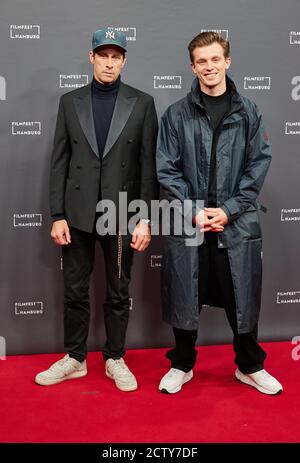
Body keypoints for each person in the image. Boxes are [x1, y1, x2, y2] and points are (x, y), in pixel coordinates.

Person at [156, 31, 282, 395]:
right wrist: (195, 211)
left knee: (240, 296)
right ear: (192, 67)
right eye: (201, 61)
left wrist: (227, 209)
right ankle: (182, 363)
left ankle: (249, 365)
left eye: (215, 59)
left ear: (227, 62)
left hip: (236, 222)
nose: (209, 67)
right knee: (185, 294)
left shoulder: (249, 111)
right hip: (190, 223)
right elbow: (166, 169)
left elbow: (258, 165)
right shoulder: (176, 114)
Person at [35, 28, 158, 391]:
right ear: (91, 58)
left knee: (119, 291)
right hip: (77, 214)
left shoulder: (143, 102)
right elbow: (60, 162)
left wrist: (145, 219)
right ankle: (74, 358)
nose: (109, 62)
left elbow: (147, 168)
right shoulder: (69, 102)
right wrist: (57, 214)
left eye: (115, 56)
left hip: (121, 214)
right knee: (75, 291)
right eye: (102, 55)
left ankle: (115, 358)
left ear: (123, 60)